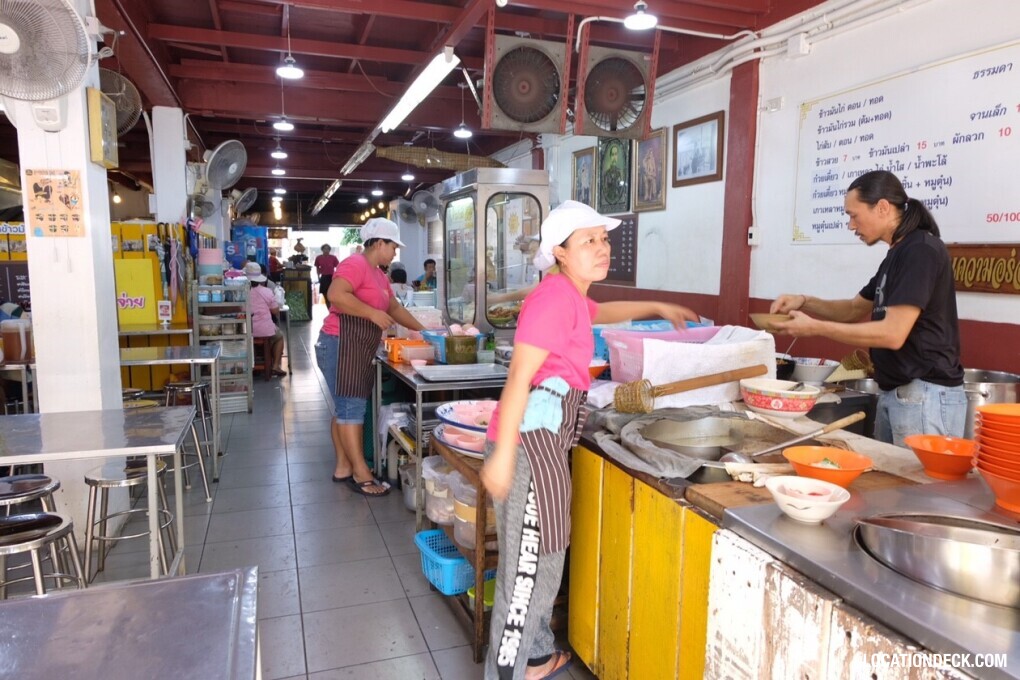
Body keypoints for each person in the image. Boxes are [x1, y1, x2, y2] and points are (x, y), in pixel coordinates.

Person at [480, 200, 699, 679]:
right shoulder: (554, 298)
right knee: (528, 572)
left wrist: (657, 305)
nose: (603, 248)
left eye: (603, 238)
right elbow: (520, 375)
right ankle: (508, 671)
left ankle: (536, 658)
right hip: (528, 447)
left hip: (543, 445)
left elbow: (605, 311)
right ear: (559, 251)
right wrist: (500, 462)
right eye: (589, 241)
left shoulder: (570, 295)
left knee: (547, 555)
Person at [770, 170, 965, 446]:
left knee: (920, 489)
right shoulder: (896, 255)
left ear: (883, 207)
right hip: (899, 393)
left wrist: (814, 328)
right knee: (892, 487)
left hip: (925, 395)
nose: (851, 225)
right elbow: (852, 309)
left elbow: (893, 333)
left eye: (854, 215)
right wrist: (804, 301)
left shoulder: (920, 250)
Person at [324, 218, 427, 496]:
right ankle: (361, 474)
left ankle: (343, 467)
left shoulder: (380, 275)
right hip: (340, 342)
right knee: (351, 409)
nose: (395, 252)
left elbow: (393, 307)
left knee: (344, 408)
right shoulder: (356, 264)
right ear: (379, 243)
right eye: (393, 246)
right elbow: (335, 295)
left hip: (356, 345)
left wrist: (425, 330)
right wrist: (371, 313)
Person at [246, 263, 286, 377]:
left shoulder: (241, 292)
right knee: (279, 336)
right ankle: (275, 366)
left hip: (246, 329)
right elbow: (275, 311)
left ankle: (252, 365)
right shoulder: (266, 291)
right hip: (264, 330)